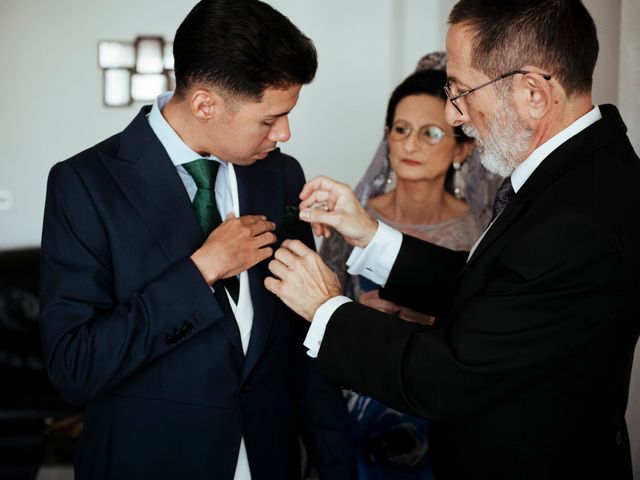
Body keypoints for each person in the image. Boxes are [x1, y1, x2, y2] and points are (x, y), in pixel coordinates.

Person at [264, 1, 640, 479]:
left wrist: (326, 309)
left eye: (462, 90)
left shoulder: (584, 217)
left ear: (534, 94)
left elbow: (447, 374)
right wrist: (372, 235)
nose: (452, 113)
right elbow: (495, 291)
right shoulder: (578, 176)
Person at [39, 1, 356, 479]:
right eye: (269, 119)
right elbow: (75, 367)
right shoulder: (84, 184)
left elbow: (301, 342)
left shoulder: (281, 175)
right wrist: (201, 270)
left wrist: (338, 468)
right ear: (206, 103)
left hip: (271, 459)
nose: (285, 133)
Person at [320, 53, 497, 480]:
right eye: (401, 130)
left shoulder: (482, 230)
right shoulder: (352, 219)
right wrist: (352, 312)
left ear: (462, 148)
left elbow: (489, 331)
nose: (411, 144)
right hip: (357, 398)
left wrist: (435, 320)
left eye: (431, 132)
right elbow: (318, 308)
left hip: (441, 413)